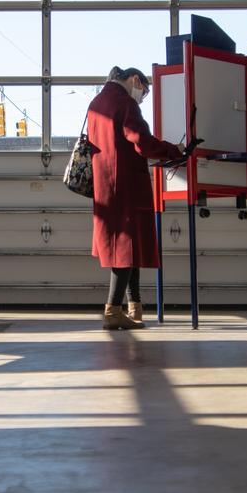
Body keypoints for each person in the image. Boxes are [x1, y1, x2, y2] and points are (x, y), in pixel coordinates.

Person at [87, 66, 184, 330]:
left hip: (106, 184)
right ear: (134, 80)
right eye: (143, 91)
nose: (142, 97)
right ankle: (113, 311)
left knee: (129, 248)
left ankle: (134, 307)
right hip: (127, 185)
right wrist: (175, 151)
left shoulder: (97, 102)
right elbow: (142, 141)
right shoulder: (124, 102)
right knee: (125, 248)